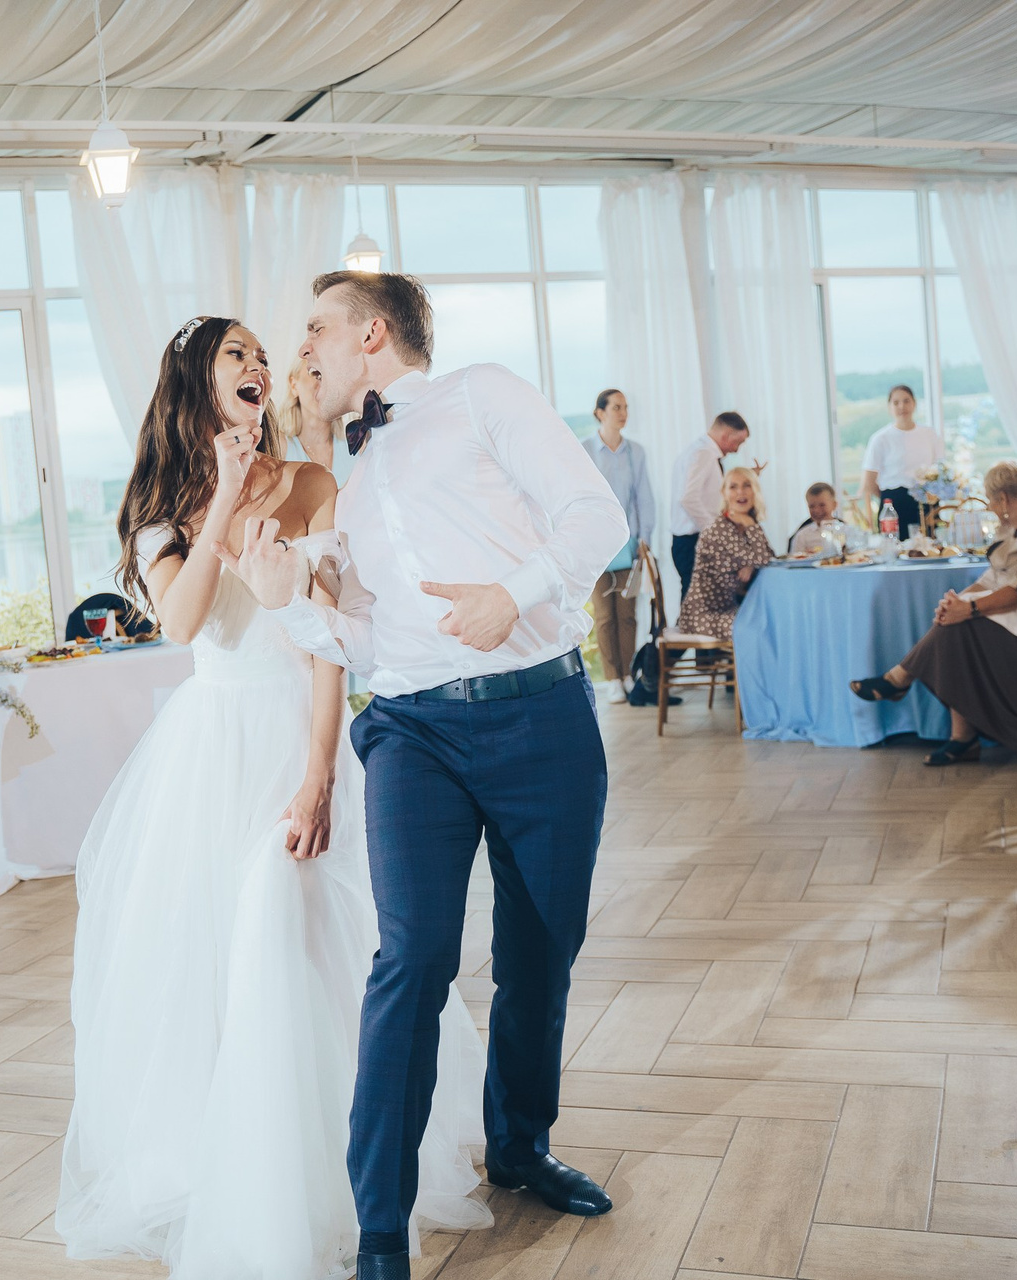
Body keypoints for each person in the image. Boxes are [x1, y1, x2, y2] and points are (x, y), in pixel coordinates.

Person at [56, 316, 490, 1280]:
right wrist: (220, 497)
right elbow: (183, 623)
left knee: (302, 937)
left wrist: (319, 774)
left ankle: (340, 1169)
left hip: (298, 739)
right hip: (209, 754)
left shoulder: (312, 484)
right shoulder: (160, 505)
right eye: (236, 354)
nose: (258, 364)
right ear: (196, 382)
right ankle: (227, 1162)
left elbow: (328, 646)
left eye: (262, 353)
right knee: (214, 956)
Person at [221, 271, 628, 1280]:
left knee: (541, 952)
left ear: (371, 332)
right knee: (410, 958)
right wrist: (284, 604)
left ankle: (520, 1144)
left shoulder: (482, 393)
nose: (299, 350)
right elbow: (367, 642)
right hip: (411, 734)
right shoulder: (351, 486)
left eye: (314, 328)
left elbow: (597, 517)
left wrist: (513, 594)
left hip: (541, 712)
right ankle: (380, 1232)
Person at [850, 459, 1017, 766]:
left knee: (958, 628)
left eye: (990, 499)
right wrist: (957, 604)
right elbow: (994, 577)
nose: (989, 506)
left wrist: (970, 609)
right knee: (954, 623)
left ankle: (911, 690)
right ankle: (918, 698)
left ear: (1003, 498)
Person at [583, 389, 655, 704]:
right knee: (604, 616)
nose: (623, 413)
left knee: (627, 615)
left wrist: (644, 539)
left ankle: (627, 674)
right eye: (616, 407)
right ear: (600, 412)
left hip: (629, 544)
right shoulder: (585, 450)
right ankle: (612, 679)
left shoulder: (635, 452)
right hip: (596, 546)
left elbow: (644, 497)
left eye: (625, 407)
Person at [678, 466, 774, 643]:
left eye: (747, 485)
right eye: (733, 487)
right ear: (724, 493)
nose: (740, 492)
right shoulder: (720, 528)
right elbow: (764, 559)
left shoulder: (743, 525)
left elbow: (769, 556)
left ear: (755, 490)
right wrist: (751, 525)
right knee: (755, 627)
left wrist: (750, 564)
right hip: (702, 616)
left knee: (772, 619)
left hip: (727, 609)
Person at [668, 412, 754, 600]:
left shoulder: (699, 451)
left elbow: (708, 494)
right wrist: (715, 530)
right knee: (697, 601)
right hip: (692, 541)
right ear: (726, 436)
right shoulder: (703, 454)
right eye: (738, 443)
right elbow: (688, 499)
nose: (736, 450)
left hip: (691, 539)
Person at [859, 385, 943, 538]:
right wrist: (890, 498)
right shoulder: (880, 438)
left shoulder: (929, 434)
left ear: (914, 404)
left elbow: (940, 467)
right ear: (889, 407)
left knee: (931, 546)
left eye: (906, 401)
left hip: (926, 501)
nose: (902, 406)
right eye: (896, 402)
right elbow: (869, 482)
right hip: (894, 505)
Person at [787, 482, 840, 556]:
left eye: (822, 505)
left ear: (834, 505)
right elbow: (795, 559)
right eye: (811, 506)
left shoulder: (845, 531)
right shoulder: (802, 536)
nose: (817, 510)